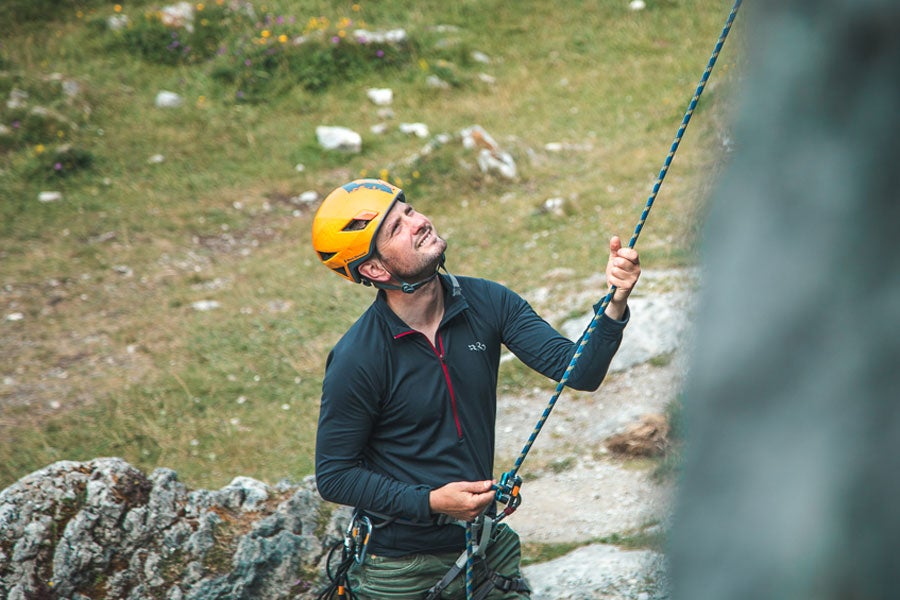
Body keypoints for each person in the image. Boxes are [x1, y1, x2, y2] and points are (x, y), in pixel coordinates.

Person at [312, 178, 641, 599]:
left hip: (483, 549)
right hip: (399, 568)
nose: (419, 222)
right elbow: (335, 476)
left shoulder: (487, 302)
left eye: (409, 211)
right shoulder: (360, 357)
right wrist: (431, 501)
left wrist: (615, 301)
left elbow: (576, 371)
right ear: (375, 270)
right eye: (397, 228)